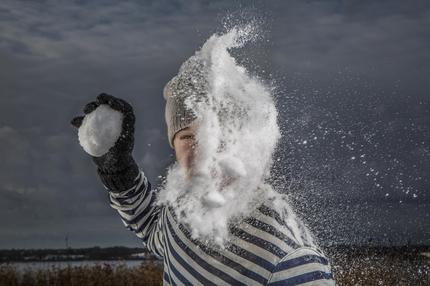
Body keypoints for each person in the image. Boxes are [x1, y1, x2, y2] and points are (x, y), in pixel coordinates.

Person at [71, 58, 336, 286]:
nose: (203, 152)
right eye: (187, 136)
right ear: (173, 145)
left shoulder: (291, 257)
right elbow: (153, 228)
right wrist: (119, 170)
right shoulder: (185, 206)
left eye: (216, 135)